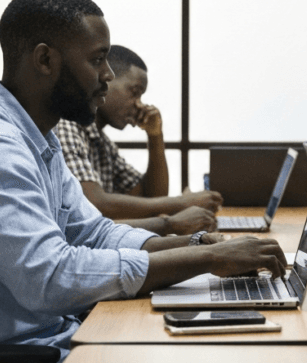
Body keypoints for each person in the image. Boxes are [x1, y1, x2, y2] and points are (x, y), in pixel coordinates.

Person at [0, 0, 286, 363]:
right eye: (97, 59)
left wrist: (198, 247)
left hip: (45, 345)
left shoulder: (38, 139)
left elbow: (95, 231)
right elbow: (51, 277)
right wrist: (207, 261)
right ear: (45, 59)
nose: (107, 76)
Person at [55, 45, 221, 236]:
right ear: (106, 78)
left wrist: (155, 136)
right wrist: (182, 203)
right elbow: (94, 201)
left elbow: (152, 196)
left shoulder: (101, 142)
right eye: (135, 91)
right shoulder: (67, 125)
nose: (139, 104)